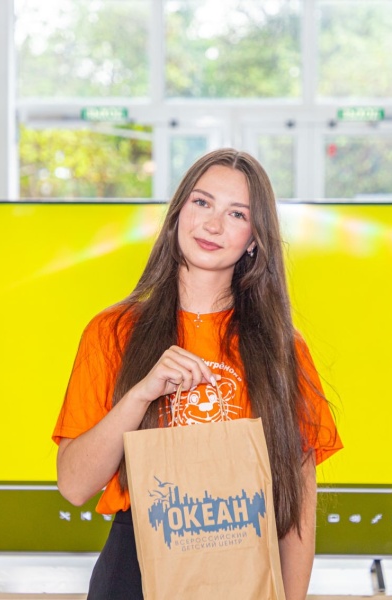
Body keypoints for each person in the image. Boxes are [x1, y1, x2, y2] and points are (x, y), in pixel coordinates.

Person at [53, 148, 342, 600]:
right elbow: (74, 486)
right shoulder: (112, 332)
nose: (213, 224)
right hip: (135, 569)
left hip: (244, 562)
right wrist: (139, 395)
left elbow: (299, 502)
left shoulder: (283, 348)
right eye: (202, 202)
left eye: (237, 213)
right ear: (177, 213)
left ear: (254, 239)